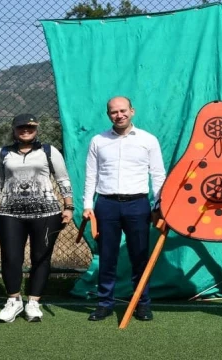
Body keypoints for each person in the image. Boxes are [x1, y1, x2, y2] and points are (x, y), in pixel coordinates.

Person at [0, 113, 74, 323]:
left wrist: (69, 206)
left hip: (47, 213)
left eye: (30, 127)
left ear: (36, 129)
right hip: (9, 213)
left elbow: (63, 179)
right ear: (14, 130)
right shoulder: (3, 153)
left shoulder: (49, 151)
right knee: (11, 257)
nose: (26, 130)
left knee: (41, 257)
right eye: (21, 127)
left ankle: (33, 302)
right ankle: (14, 300)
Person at [83, 96, 166, 321]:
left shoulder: (148, 140)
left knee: (139, 256)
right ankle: (104, 303)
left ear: (132, 111)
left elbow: (158, 175)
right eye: (113, 112)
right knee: (107, 256)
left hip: (138, 205)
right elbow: (91, 175)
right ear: (108, 114)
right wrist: (88, 205)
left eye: (123, 111)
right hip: (106, 205)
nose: (119, 115)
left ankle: (142, 303)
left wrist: (159, 205)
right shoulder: (97, 141)